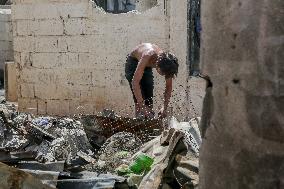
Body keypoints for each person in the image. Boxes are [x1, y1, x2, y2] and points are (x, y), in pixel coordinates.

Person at [125, 43, 179, 118]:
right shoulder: (147, 56)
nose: (164, 76)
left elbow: (168, 87)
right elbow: (135, 83)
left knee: (148, 100)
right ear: (157, 65)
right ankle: (139, 121)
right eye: (163, 73)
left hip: (147, 65)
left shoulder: (168, 63)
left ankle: (148, 121)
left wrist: (164, 107)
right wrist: (142, 106)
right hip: (133, 62)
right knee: (140, 103)